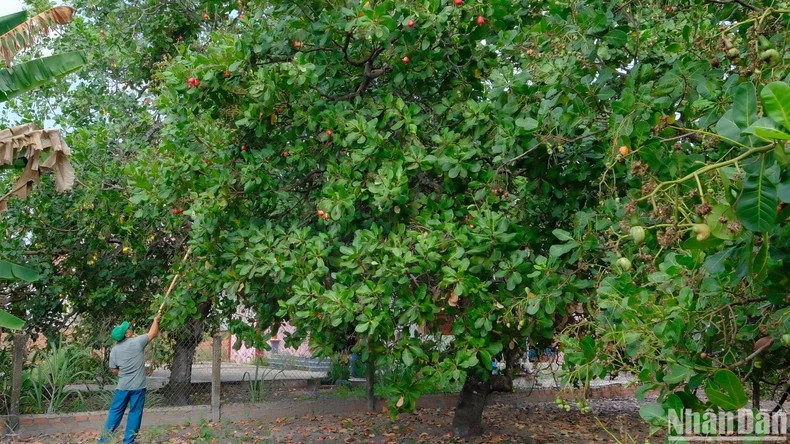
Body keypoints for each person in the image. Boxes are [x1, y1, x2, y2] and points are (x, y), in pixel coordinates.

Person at [99, 313, 161, 444]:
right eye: (127, 329)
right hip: (138, 387)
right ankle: (129, 441)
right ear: (126, 334)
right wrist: (156, 320)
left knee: (115, 412)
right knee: (135, 413)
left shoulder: (115, 350)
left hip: (122, 387)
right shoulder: (137, 342)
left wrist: (123, 371)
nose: (129, 329)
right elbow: (153, 333)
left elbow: (114, 370)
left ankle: (104, 441)